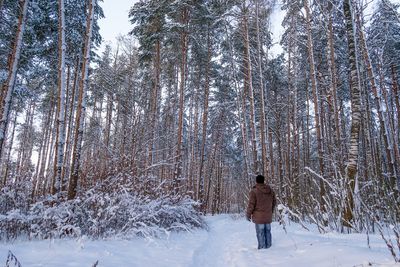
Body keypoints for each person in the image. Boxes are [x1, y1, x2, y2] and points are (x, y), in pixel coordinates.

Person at [246, 174, 276, 249]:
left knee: (260, 233)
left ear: (256, 181)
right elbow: (274, 202)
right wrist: (270, 210)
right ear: (263, 181)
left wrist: (248, 214)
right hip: (268, 216)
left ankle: (262, 249)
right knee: (268, 232)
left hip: (259, 217)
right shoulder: (270, 190)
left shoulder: (254, 191)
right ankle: (269, 247)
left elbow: (251, 204)